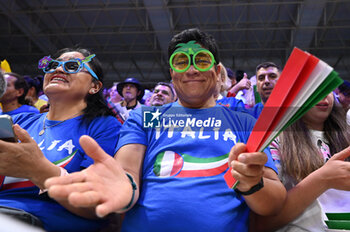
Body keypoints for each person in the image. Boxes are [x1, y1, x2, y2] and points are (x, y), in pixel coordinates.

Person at [45, 28, 286, 232]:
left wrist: (252, 184)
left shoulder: (244, 123)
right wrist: (121, 188)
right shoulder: (145, 117)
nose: (191, 70)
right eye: (181, 62)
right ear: (172, 73)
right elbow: (127, 172)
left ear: (217, 70)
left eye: (201, 60)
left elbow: (274, 203)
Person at [0, 48, 121, 232]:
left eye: (72, 66)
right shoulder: (18, 121)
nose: (58, 69)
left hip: (44, 220)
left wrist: (39, 170)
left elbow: (95, 205)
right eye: (53, 65)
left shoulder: (105, 126)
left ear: (94, 87)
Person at [251, 93, 350, 232]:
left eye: (328, 86)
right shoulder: (276, 142)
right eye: (315, 86)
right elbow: (263, 222)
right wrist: (323, 179)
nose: (323, 94)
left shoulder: (346, 135)